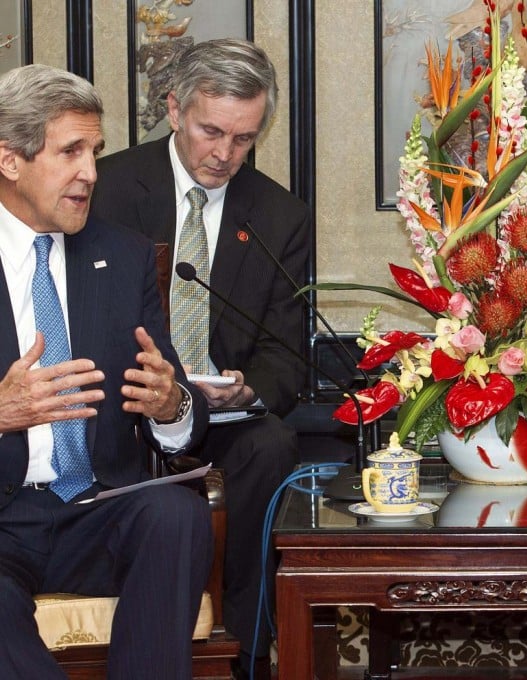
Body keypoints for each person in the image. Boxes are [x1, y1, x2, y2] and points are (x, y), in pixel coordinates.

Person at [89, 38, 310, 677]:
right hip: (124, 410)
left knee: (272, 446)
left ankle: (245, 650)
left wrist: (246, 390)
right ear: (174, 109)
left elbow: (285, 353)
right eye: (211, 131)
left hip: (223, 422)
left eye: (244, 138)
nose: (224, 154)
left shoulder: (279, 214)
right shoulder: (105, 189)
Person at [0, 64, 212, 678]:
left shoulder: (121, 256)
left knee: (177, 514)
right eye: (70, 152)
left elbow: (175, 404)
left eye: (94, 151)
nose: (91, 173)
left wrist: (171, 406)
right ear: (10, 160)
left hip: (97, 507)